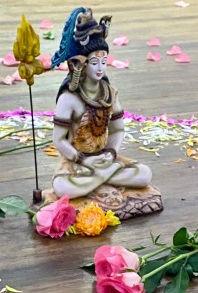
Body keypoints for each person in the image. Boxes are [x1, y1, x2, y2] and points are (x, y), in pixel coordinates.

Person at [48, 7, 157, 207]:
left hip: (104, 158)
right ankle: (104, 177)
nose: (100, 68)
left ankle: (97, 179)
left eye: (104, 62)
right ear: (82, 64)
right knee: (62, 187)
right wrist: (82, 160)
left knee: (144, 174)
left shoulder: (109, 93)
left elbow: (117, 130)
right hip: (76, 161)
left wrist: (111, 153)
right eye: (94, 62)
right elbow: (59, 139)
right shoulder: (69, 99)